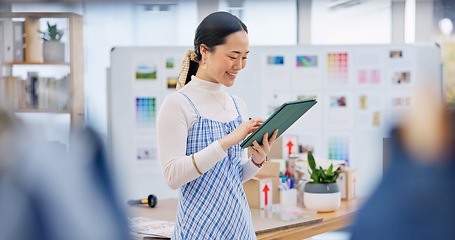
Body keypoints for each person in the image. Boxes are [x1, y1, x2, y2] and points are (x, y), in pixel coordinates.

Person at [157, 11, 278, 239]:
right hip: (198, 230)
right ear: (204, 51)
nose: (240, 65)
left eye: (245, 57)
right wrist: (227, 141)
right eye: (233, 56)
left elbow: (232, 176)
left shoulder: (237, 104)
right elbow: (172, 176)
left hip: (240, 229)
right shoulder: (178, 104)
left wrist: (258, 159)